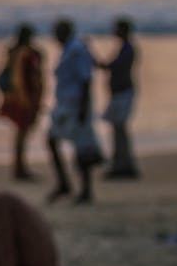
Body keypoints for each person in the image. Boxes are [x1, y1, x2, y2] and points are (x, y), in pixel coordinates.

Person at [47, 18, 102, 204]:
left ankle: (83, 189)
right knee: (55, 141)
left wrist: (83, 109)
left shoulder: (76, 50)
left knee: (80, 147)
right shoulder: (69, 49)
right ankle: (66, 184)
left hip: (75, 105)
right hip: (65, 104)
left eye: (57, 31)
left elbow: (86, 79)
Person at [0, 23, 44, 180]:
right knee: (22, 133)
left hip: (20, 97)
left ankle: (19, 167)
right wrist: (27, 99)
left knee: (21, 133)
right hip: (24, 98)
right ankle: (20, 169)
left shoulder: (16, 52)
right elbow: (21, 79)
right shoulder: (25, 54)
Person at [95, 17, 139, 179]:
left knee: (119, 129)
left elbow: (112, 66)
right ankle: (122, 163)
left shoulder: (127, 49)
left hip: (123, 93)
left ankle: (123, 164)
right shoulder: (125, 48)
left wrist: (93, 55)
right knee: (118, 129)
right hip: (120, 93)